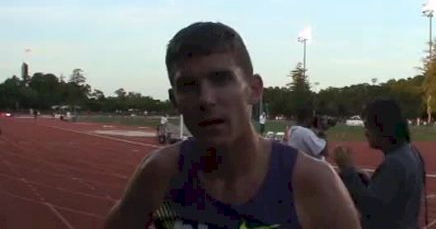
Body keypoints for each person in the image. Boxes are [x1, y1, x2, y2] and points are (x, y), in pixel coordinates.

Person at [105, 22, 360, 228]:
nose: (206, 99)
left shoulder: (313, 183)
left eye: (221, 79)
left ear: (254, 89)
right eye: (188, 86)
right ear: (175, 101)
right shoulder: (161, 173)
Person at [333, 99, 427, 229]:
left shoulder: (394, 163)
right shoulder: (411, 151)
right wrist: (365, 181)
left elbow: (370, 208)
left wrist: (347, 169)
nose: (365, 132)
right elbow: (391, 197)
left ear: (383, 128)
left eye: (368, 126)